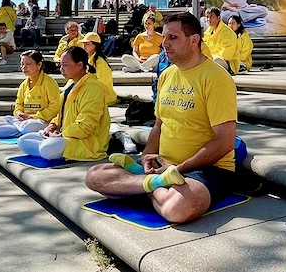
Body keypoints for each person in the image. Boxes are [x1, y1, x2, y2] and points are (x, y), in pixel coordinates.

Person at [85, 12, 238, 224]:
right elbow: (159, 125)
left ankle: (143, 185)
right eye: (164, 37)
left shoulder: (217, 78)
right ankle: (153, 183)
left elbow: (224, 141)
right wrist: (146, 158)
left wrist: (179, 169)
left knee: (179, 208)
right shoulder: (167, 74)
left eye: (173, 38)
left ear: (194, 40)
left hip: (206, 169)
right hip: (163, 165)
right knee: (95, 175)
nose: (164, 43)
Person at [17, 47, 111, 161]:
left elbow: (86, 126)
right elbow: (62, 114)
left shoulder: (93, 88)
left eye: (65, 65)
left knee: (47, 149)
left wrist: (61, 135)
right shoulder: (70, 86)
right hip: (64, 135)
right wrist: (52, 126)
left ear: (79, 65)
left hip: (86, 142)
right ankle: (49, 147)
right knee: (23, 141)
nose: (61, 69)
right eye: (60, 65)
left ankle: (49, 148)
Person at [0, 50, 60, 138]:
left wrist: (33, 116)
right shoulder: (24, 84)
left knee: (28, 127)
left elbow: (55, 107)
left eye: (28, 64)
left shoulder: (49, 83)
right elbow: (18, 103)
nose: (24, 67)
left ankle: (24, 129)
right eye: (22, 64)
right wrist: (18, 113)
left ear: (39, 65)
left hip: (41, 121)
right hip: (24, 121)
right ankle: (24, 130)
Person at [80, 32, 118, 105]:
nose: (84, 46)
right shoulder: (88, 59)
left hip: (102, 95)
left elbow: (102, 82)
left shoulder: (100, 61)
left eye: (87, 44)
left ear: (95, 45)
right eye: (84, 44)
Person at [203, 7, 240, 74]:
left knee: (215, 61)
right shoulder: (207, 32)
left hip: (227, 63)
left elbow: (226, 55)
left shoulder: (228, 32)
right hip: (210, 60)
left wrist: (210, 58)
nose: (209, 19)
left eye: (211, 17)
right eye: (207, 17)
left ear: (219, 18)